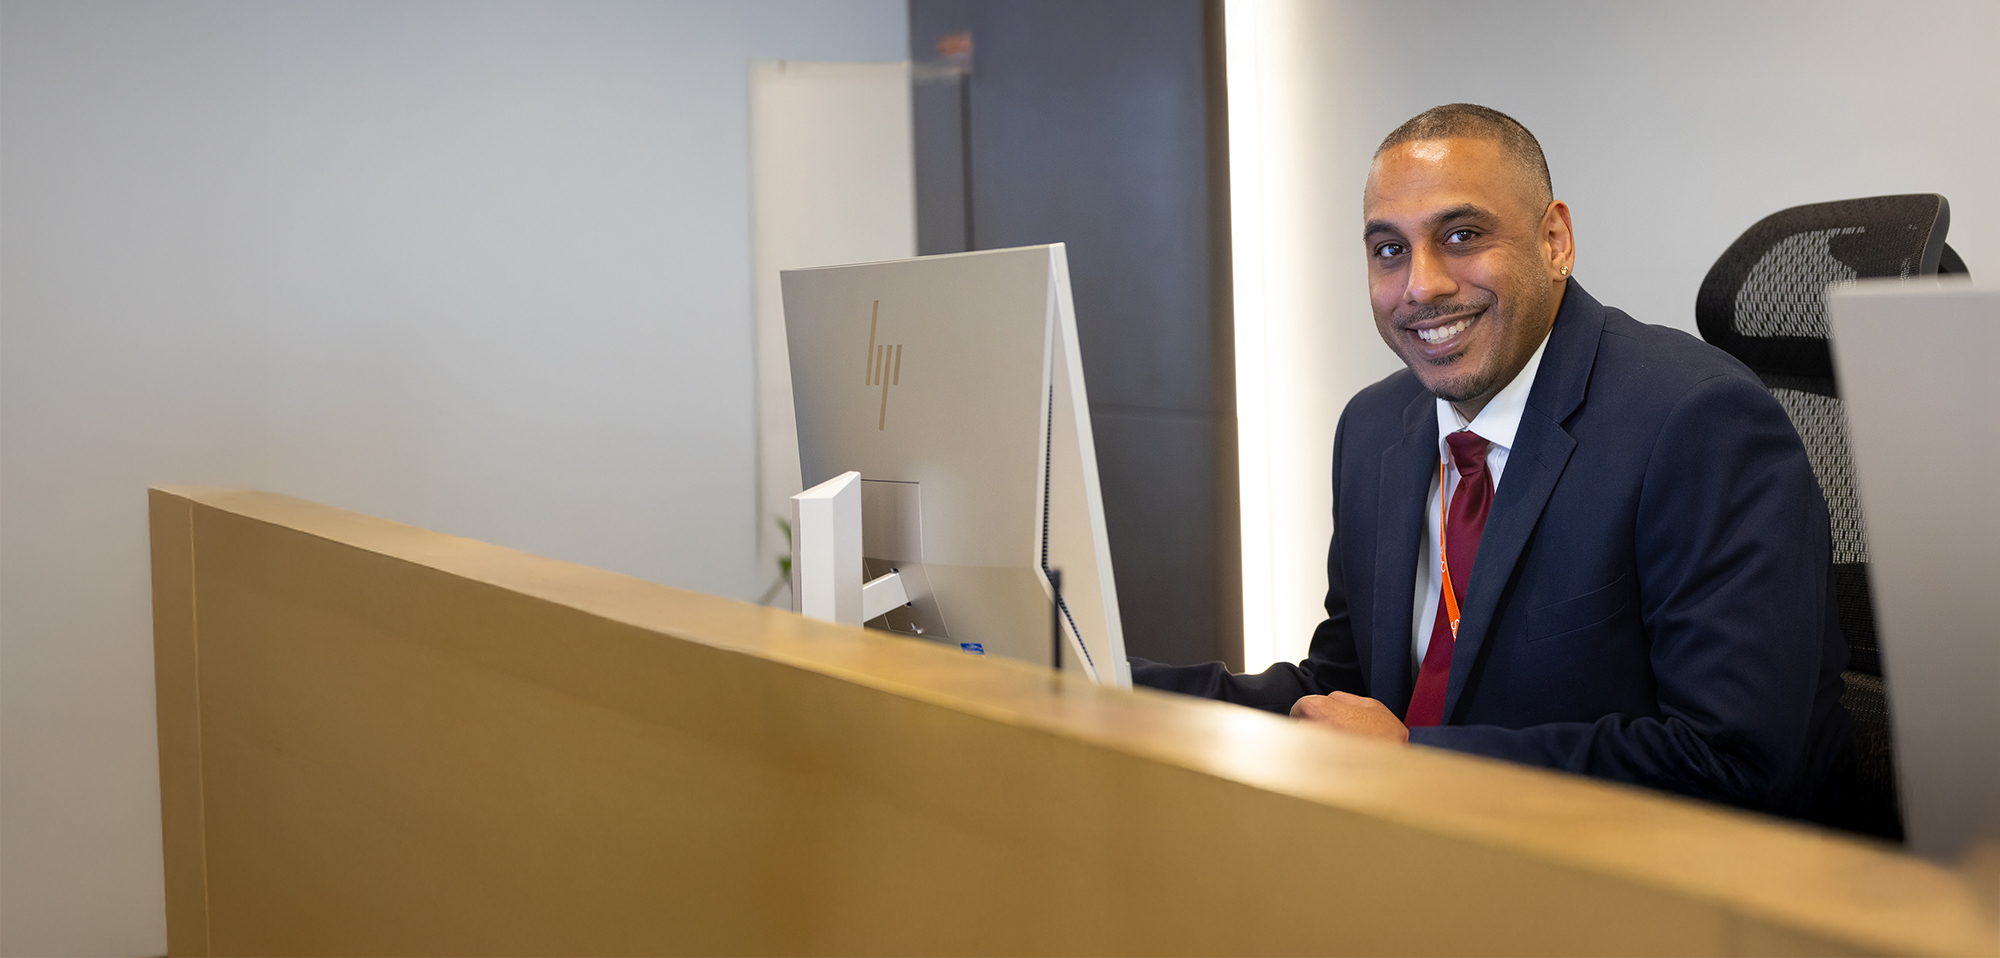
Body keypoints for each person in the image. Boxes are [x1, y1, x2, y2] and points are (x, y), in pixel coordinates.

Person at [1135, 104, 1850, 818]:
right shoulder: (1374, 428)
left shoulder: (1697, 422)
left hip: (1624, 892)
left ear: (1555, 241)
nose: (1421, 286)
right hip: (1411, 860)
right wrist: (1101, 682)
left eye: (1462, 235)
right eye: (1389, 250)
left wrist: (1418, 764)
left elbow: (1737, 760)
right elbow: (1344, 691)